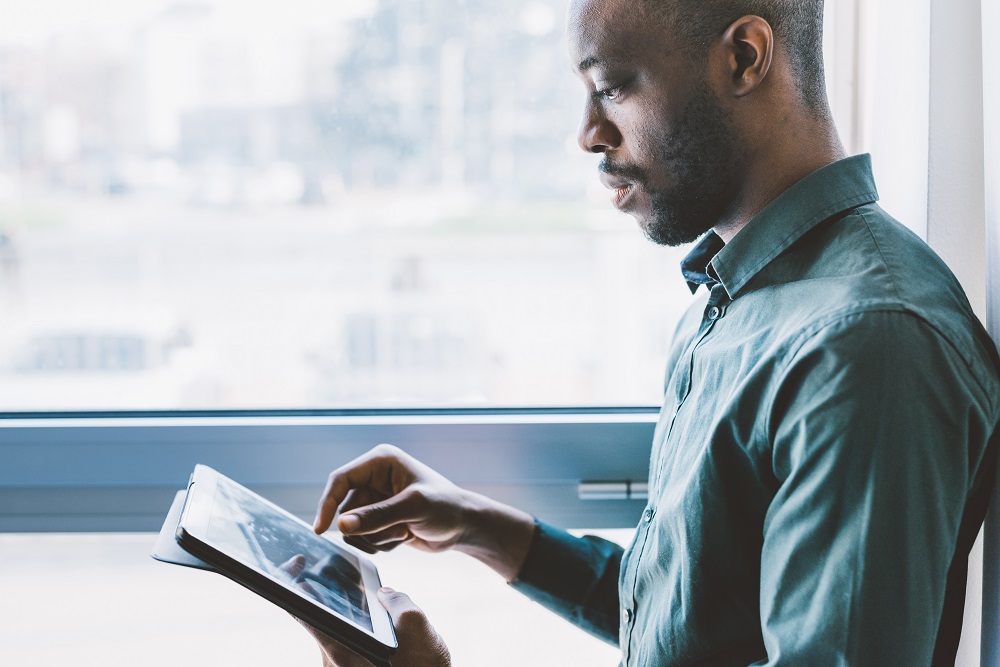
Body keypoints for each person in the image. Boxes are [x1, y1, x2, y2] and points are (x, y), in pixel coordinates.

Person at [301, 0, 1000, 665]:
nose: (588, 134)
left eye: (612, 88)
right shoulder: (731, 296)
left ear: (745, 57)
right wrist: (475, 522)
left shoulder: (868, 342)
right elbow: (686, 619)